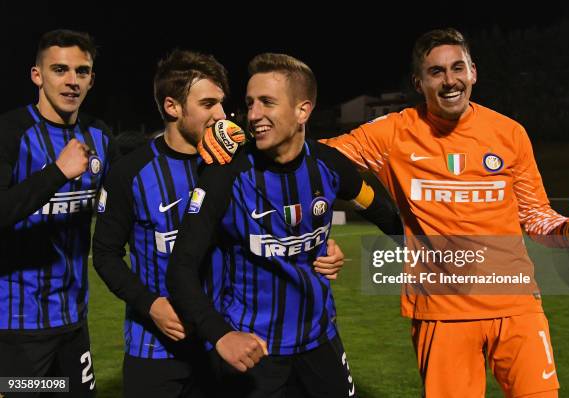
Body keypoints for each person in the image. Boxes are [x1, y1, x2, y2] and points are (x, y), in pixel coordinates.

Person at [320, 28, 569, 398]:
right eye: (436, 72)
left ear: (473, 72)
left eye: (458, 68)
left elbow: (536, 215)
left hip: (517, 305)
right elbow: (314, 160)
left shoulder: (509, 133)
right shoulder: (393, 134)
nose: (450, 80)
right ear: (419, 82)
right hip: (442, 313)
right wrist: (242, 144)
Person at [92, 49, 345, 398]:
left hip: (226, 342)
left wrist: (323, 246)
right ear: (172, 107)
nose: (221, 115)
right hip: (154, 348)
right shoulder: (130, 173)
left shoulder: (238, 164)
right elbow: (105, 254)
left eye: (222, 104)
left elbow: (275, 225)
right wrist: (150, 304)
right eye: (208, 104)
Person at [166, 53, 403, 397]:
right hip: (254, 349)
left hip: (320, 341)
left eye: (267, 102)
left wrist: (434, 256)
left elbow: (383, 213)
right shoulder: (225, 175)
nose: (254, 115)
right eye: (250, 103)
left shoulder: (330, 165)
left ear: (302, 110)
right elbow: (181, 268)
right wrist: (220, 335)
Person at [0, 29, 114, 396]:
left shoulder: (100, 135)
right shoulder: (10, 133)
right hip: (18, 327)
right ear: (38, 75)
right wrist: (56, 173)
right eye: (60, 70)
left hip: (73, 322)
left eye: (82, 72)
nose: (71, 81)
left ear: (91, 80)